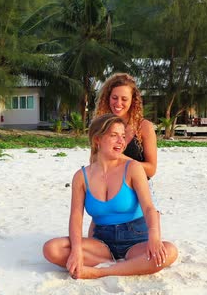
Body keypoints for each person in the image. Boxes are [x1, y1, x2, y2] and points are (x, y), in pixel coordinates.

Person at [43, 114, 177, 279]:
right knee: (51, 249)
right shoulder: (81, 176)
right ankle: (123, 266)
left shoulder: (133, 168)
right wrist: (76, 251)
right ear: (97, 139)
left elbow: (149, 207)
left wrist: (155, 238)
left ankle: (100, 271)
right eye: (114, 135)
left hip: (136, 239)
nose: (121, 141)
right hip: (102, 243)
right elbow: (76, 216)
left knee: (169, 251)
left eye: (122, 136)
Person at [89, 73, 159, 237]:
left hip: (140, 190)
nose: (118, 103)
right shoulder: (101, 126)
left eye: (124, 99)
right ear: (108, 97)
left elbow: (151, 169)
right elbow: (94, 162)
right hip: (109, 186)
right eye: (114, 98)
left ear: (132, 101)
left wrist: (119, 158)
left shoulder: (144, 128)